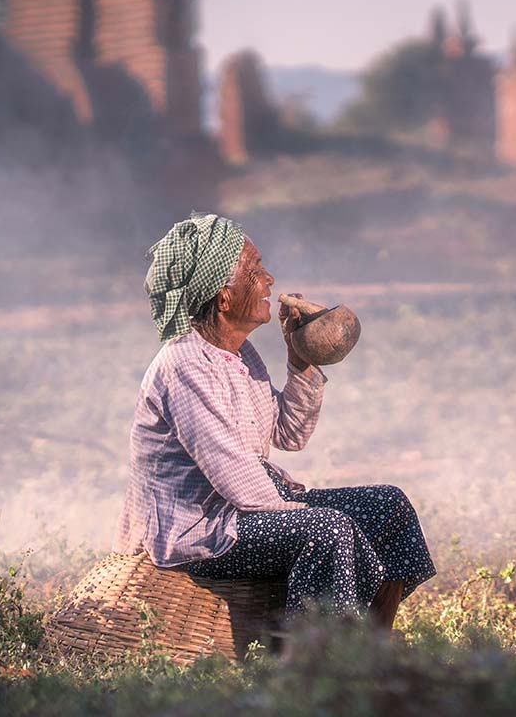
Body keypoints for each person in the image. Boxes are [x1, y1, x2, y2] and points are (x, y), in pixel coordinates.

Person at [114, 213, 434, 629]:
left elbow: (289, 434)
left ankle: (371, 647)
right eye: (253, 270)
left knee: (388, 507)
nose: (269, 279)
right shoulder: (184, 365)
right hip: (200, 528)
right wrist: (304, 513)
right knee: (328, 529)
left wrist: (301, 360)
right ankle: (314, 663)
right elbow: (236, 476)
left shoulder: (241, 354)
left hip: (244, 508)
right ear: (223, 298)